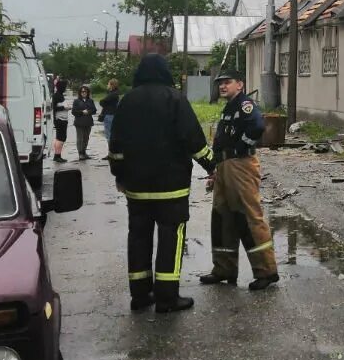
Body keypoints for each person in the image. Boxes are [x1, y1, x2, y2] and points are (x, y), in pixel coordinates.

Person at [109, 54, 215, 314]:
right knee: (171, 238)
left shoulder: (127, 101)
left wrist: (119, 175)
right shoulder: (175, 98)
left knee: (138, 238)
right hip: (171, 187)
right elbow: (194, 140)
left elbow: (116, 146)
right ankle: (167, 298)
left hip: (136, 188)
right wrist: (214, 166)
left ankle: (140, 296)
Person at [200, 69, 279, 291]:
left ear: (240, 85)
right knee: (222, 216)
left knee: (249, 215)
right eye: (220, 83)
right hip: (225, 167)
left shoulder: (246, 105)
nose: (223, 86)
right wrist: (216, 168)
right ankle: (223, 269)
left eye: (227, 82)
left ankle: (266, 271)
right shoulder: (228, 108)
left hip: (241, 165)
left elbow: (257, 127)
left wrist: (240, 146)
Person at [71, 85, 97, 160]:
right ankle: (80, 153)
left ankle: (84, 152)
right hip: (79, 122)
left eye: (85, 91)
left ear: (87, 92)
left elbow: (94, 110)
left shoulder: (90, 101)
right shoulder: (76, 101)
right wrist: (82, 112)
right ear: (80, 93)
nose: (84, 93)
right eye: (82, 92)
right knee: (80, 138)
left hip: (88, 122)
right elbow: (73, 112)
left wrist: (88, 111)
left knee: (86, 138)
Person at [99, 78, 121, 158]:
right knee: (111, 135)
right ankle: (111, 152)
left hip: (109, 115)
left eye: (108, 84)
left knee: (109, 135)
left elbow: (102, 101)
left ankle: (110, 153)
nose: (107, 85)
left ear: (111, 85)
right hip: (112, 115)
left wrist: (105, 104)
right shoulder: (115, 93)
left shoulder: (112, 94)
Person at [52, 77, 70, 163]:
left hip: (62, 119)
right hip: (60, 119)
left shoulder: (59, 95)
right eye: (65, 87)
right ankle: (57, 155)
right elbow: (54, 108)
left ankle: (57, 155)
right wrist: (64, 107)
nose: (65, 88)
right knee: (61, 138)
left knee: (59, 137)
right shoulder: (57, 95)